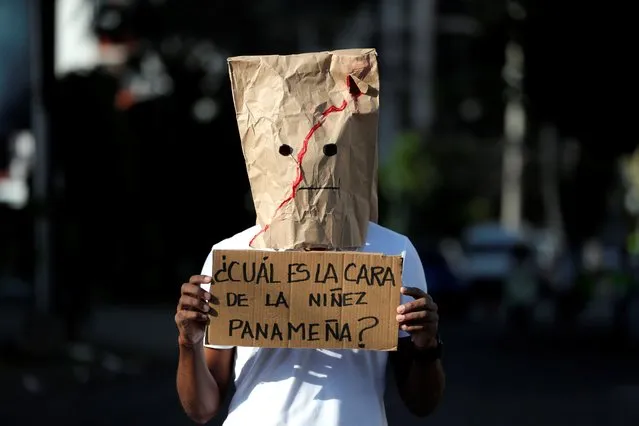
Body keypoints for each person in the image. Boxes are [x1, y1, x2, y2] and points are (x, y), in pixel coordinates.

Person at [175, 49, 445, 425]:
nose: (306, 163)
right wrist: (188, 342)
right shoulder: (233, 256)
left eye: (328, 150)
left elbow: (421, 402)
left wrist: (426, 346)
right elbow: (202, 409)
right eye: (287, 151)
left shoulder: (392, 253)